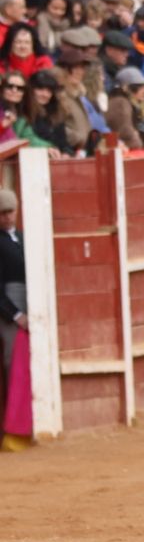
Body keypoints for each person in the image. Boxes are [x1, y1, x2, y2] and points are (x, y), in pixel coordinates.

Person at [0, 187, 27, 452]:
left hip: (27, 309)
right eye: (2, 213)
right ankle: (9, 427)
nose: (7, 217)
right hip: (8, 314)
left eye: (10, 211)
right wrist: (16, 315)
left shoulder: (20, 237)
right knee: (9, 364)